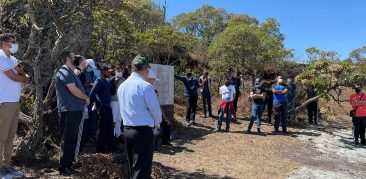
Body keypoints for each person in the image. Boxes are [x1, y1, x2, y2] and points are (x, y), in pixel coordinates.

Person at [118, 55, 162, 179]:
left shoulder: (122, 86)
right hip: (143, 131)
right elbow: (155, 110)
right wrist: (157, 124)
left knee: (132, 165)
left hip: (127, 129)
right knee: (142, 169)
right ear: (146, 70)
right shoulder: (145, 86)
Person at [55, 51, 90, 176]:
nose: (76, 59)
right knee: (68, 140)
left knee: (72, 140)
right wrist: (86, 98)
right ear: (67, 59)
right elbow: (73, 89)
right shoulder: (64, 72)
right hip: (69, 110)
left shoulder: (71, 72)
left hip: (75, 110)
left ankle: (68, 165)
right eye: (74, 57)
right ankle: (64, 168)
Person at [0, 33, 29, 178]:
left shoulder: (14, 59)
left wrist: (20, 75)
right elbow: (14, 77)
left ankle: (7, 166)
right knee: (1, 136)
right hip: (4, 102)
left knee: (10, 136)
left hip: (15, 102)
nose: (15, 44)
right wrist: (20, 75)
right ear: (4, 43)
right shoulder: (0, 57)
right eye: (12, 42)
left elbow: (25, 77)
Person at [89, 65, 116, 153]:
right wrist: (92, 104)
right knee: (101, 127)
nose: (109, 72)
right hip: (101, 107)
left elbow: (112, 93)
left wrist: (113, 83)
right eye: (107, 70)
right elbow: (92, 94)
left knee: (109, 127)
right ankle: (99, 148)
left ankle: (110, 146)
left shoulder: (107, 81)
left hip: (108, 107)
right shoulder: (98, 81)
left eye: (110, 71)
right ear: (102, 71)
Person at [147, 70, 172, 146]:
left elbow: (158, 106)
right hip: (149, 116)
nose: (154, 81)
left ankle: (165, 141)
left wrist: (165, 118)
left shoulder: (152, 89)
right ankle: (154, 145)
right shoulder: (147, 89)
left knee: (167, 124)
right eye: (153, 79)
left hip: (156, 115)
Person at [110, 66, 125, 149]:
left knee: (119, 118)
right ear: (115, 71)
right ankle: (112, 135)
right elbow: (111, 89)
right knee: (114, 119)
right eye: (118, 70)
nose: (119, 71)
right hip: (114, 100)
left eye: (120, 70)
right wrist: (116, 80)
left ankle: (118, 134)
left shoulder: (123, 79)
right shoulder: (112, 79)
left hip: (121, 101)